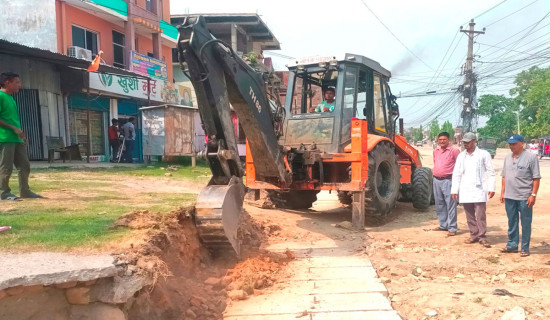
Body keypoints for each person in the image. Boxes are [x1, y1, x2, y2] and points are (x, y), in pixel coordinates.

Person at [0, 72, 42, 200]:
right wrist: (14, 128)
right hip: (5, 138)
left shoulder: (10, 97)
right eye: (17, 82)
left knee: (24, 165)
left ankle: (25, 191)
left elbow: (11, 119)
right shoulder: (1, 96)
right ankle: (4, 193)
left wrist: (20, 133)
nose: (20, 85)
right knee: (5, 167)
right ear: (7, 82)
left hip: (16, 138)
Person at [451, 132, 496, 247]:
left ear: (474, 141)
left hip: (479, 189)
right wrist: (454, 190)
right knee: (469, 214)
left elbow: (491, 172)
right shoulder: (461, 156)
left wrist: (492, 187)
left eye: (468, 142)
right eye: (464, 142)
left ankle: (482, 236)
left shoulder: (483, 154)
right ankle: (473, 234)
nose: (465, 144)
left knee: (480, 214)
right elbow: (456, 174)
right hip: (465, 189)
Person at [500, 134, 541, 257]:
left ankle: (524, 247)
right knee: (512, 222)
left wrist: (533, 194)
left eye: (514, 144)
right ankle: (512, 245)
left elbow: (536, 178)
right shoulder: (507, 158)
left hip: (524, 197)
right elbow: (504, 176)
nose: (511, 146)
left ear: (522, 143)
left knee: (525, 223)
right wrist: (503, 192)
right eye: (510, 144)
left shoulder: (531, 157)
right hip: (509, 196)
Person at [432, 132, 461, 236]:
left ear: (449, 140)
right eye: (440, 140)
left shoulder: (454, 151)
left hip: (448, 180)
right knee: (439, 204)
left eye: (444, 139)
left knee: (451, 204)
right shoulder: (436, 151)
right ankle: (443, 225)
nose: (442, 141)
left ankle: (452, 227)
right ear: (437, 140)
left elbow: (459, 166)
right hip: (436, 180)